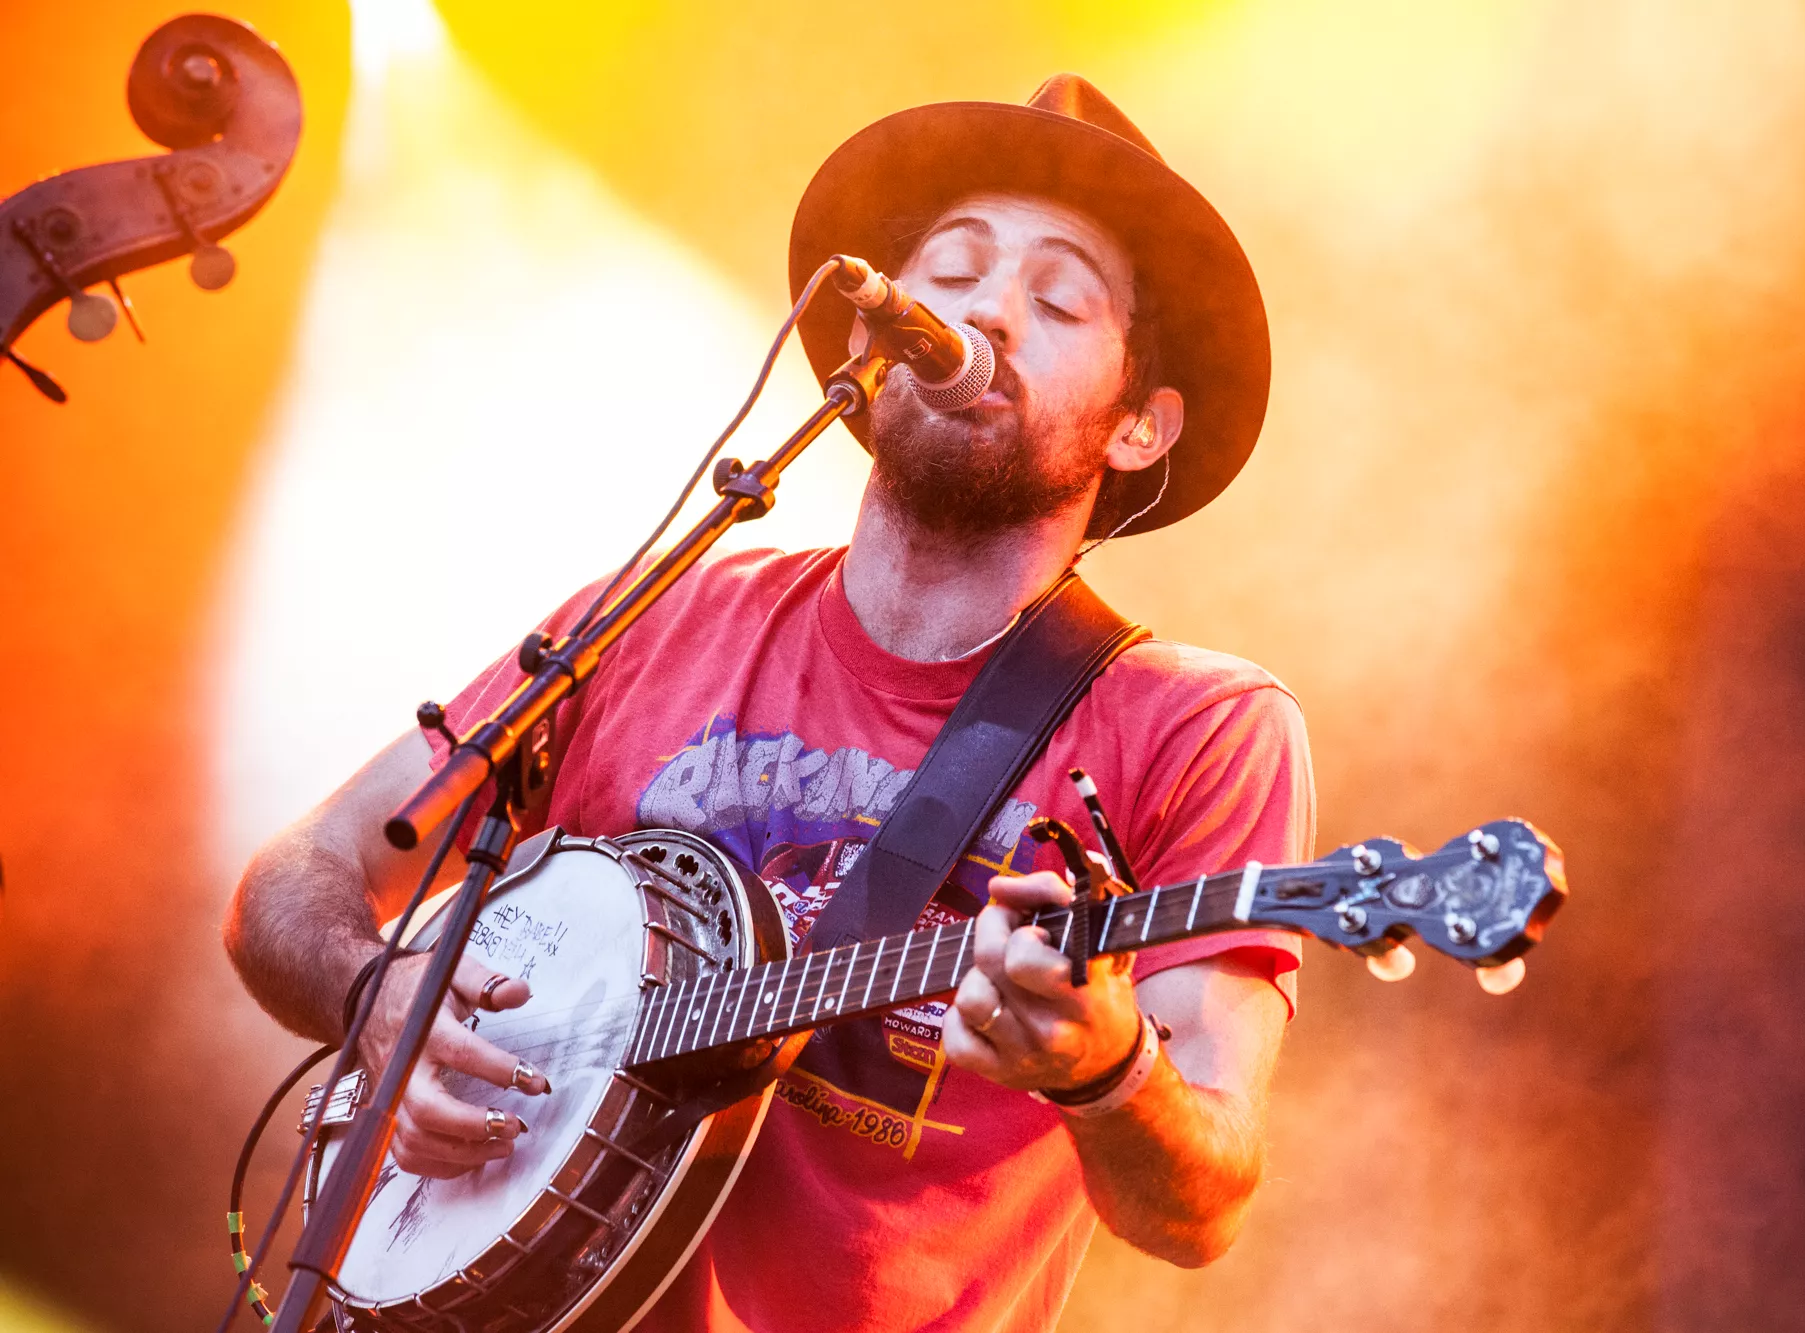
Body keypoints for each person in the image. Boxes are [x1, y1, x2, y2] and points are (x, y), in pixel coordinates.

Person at [224, 74, 1315, 1331]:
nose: (983, 311)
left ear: (1137, 428)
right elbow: (292, 881)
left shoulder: (1199, 728)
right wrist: (379, 997)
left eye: (1058, 300)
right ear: (866, 341)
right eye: (950, 272)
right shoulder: (652, 615)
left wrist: (1108, 1068)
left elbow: (1200, 1204)